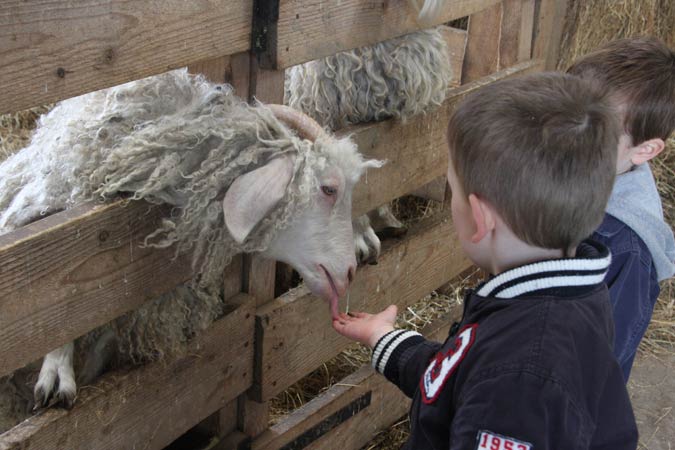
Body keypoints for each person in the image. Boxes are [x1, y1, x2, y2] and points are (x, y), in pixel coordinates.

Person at [333, 73, 638, 449]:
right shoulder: (566, 296)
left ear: (480, 219)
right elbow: (459, 376)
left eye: (453, 190)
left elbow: (495, 377)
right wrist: (386, 340)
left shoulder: (521, 379)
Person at [567, 37, 675, 380]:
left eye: (596, 129)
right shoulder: (575, 174)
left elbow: (594, 366)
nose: (567, 134)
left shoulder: (623, 245)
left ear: (644, 150)